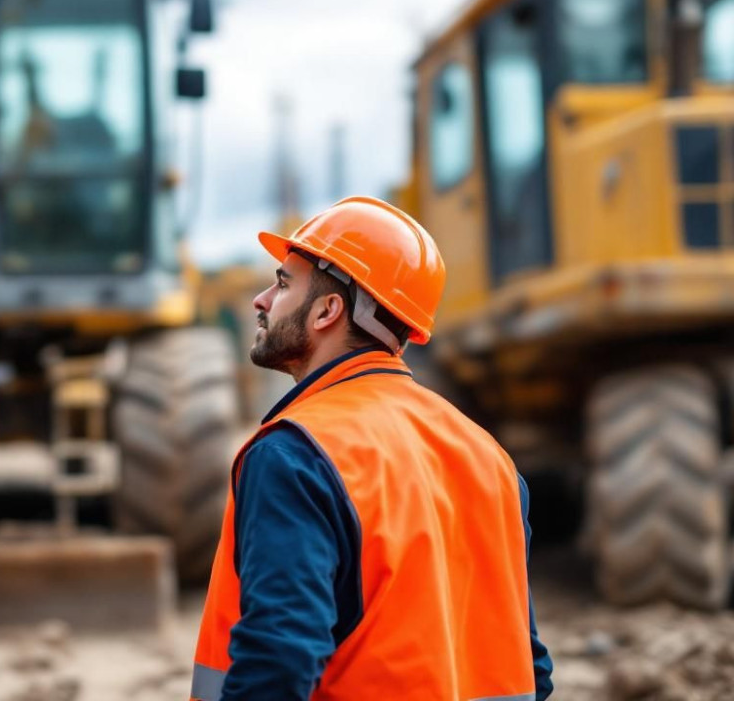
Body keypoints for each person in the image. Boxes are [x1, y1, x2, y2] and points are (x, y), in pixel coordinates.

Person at [190, 197, 553, 701]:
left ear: (327, 311)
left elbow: (279, 658)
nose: (261, 299)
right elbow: (528, 662)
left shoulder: (295, 454)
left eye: (282, 283)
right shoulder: (489, 457)